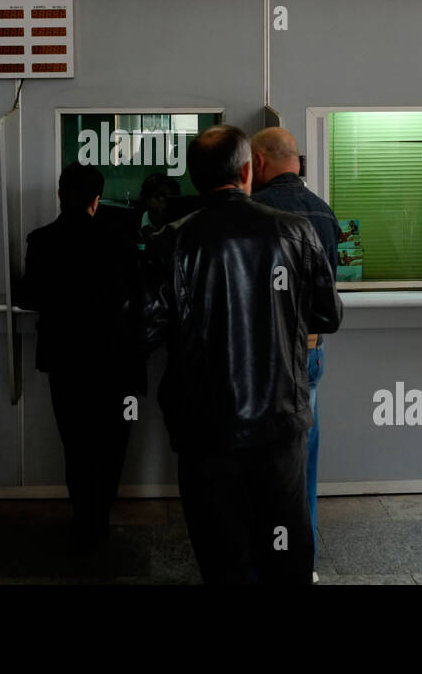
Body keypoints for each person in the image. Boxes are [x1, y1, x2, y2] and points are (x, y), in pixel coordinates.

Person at [142, 125, 342, 584]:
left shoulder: (169, 242)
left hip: (204, 428)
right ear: (249, 170)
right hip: (279, 422)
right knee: (286, 552)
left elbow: (146, 329)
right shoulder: (297, 231)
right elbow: (327, 316)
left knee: (223, 554)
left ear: (193, 178)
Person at [17, 162, 144, 552]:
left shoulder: (41, 239)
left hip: (66, 360)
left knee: (75, 441)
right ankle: (100, 518)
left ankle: (83, 519)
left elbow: (29, 297)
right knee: (111, 443)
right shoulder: (119, 238)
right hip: (114, 360)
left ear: (60, 194)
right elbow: (137, 293)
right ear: (96, 198)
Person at [250, 126, 342, 582]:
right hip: (308, 353)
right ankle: (300, 562)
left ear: (260, 163)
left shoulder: (256, 212)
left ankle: (262, 552)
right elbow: (329, 301)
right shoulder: (324, 215)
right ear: (299, 162)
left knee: (260, 457)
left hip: (262, 356)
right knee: (303, 456)